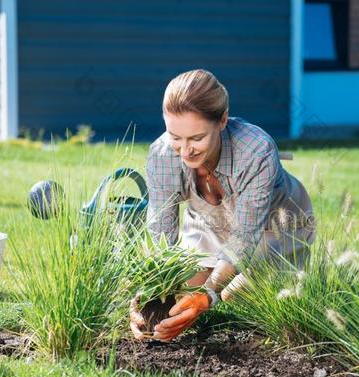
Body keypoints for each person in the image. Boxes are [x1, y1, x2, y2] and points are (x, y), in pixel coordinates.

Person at [130, 69, 315, 342]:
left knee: (232, 301)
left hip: (275, 228)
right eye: (175, 137)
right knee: (177, 304)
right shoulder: (162, 154)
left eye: (196, 138)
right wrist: (148, 294)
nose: (185, 150)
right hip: (208, 223)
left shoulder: (255, 150)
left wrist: (210, 291)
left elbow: (244, 236)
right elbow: (160, 231)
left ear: (222, 121)